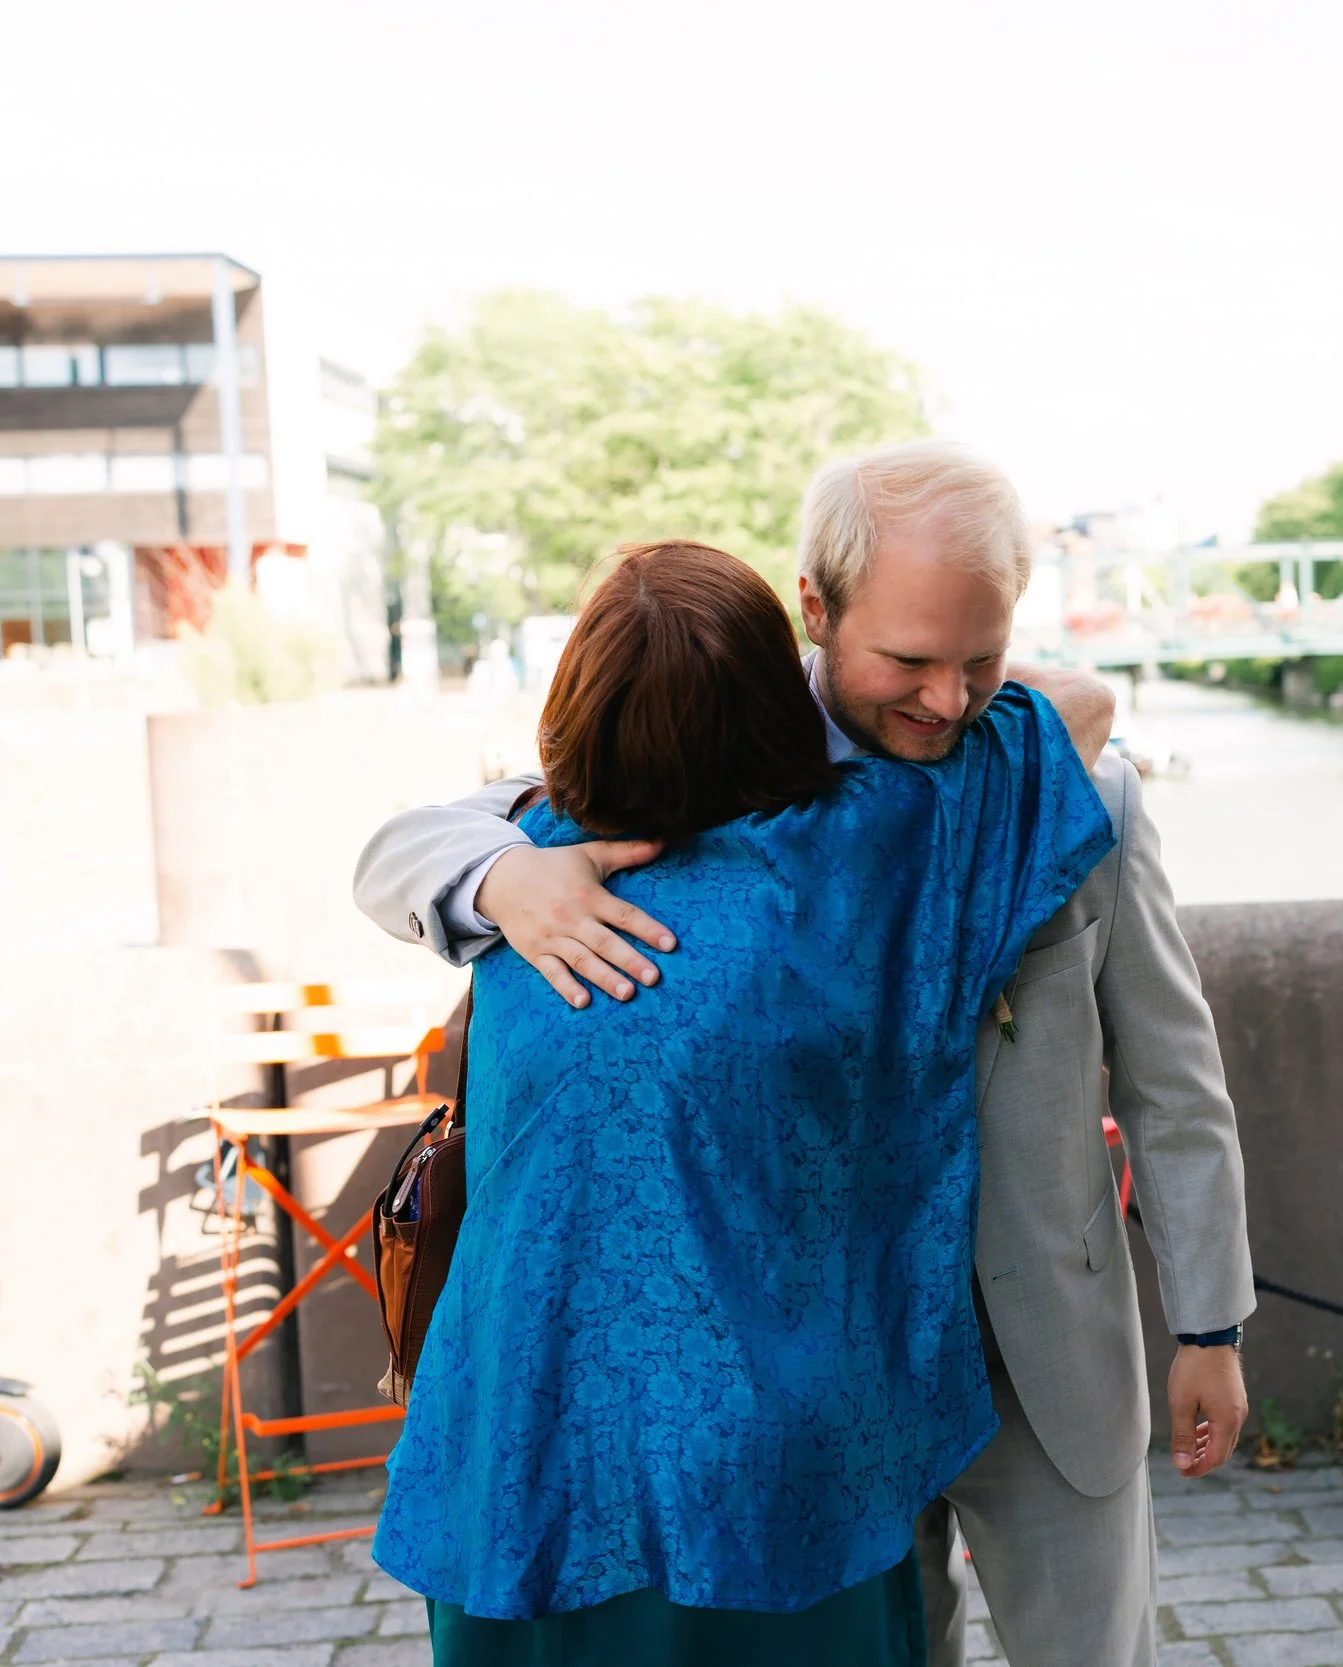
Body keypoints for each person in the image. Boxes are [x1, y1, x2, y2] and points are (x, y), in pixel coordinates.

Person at [354, 440, 1256, 1667]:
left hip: (1036, 1336)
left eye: (980, 659)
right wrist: (502, 875)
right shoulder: (691, 752)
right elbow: (408, 844)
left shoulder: (1070, 787)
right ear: (815, 613)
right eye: (909, 660)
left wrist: (1210, 1322)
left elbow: (1174, 1080)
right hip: (817, 1366)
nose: (948, 701)